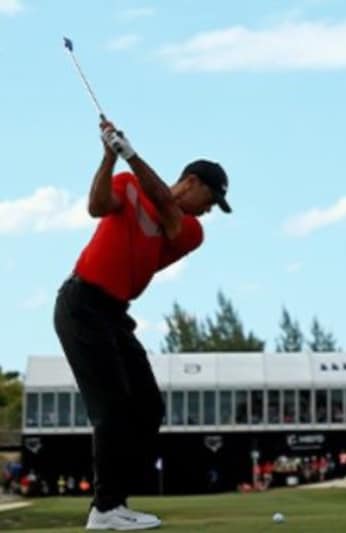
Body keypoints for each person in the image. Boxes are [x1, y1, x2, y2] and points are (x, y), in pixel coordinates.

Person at [54, 119, 231, 530]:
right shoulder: (127, 187)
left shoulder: (190, 230)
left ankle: (114, 502)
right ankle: (106, 509)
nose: (209, 209)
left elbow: (167, 210)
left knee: (148, 406)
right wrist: (108, 157)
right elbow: (96, 207)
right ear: (191, 181)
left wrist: (130, 155)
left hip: (113, 315)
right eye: (211, 197)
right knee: (112, 408)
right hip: (81, 304)